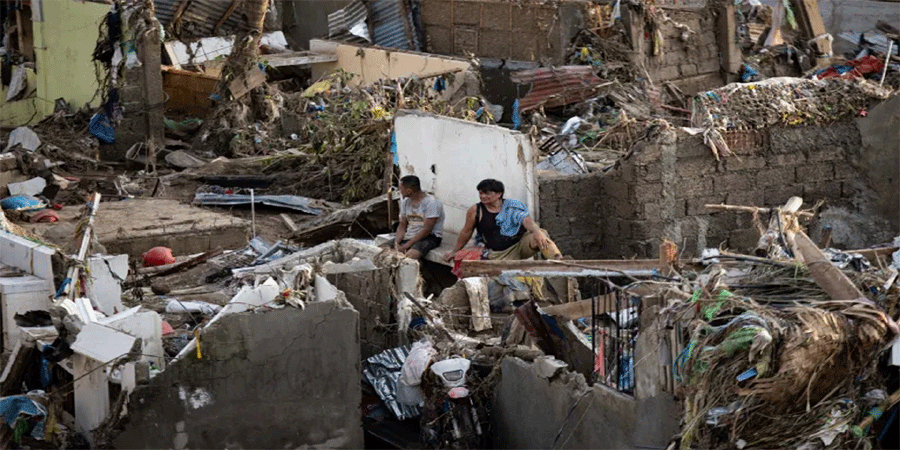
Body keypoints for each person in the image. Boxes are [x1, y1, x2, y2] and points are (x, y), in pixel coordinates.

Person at [444, 178, 562, 262]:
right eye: (480, 193)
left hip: (520, 245)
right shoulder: (475, 210)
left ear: (499, 194)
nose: (483, 196)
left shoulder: (512, 206)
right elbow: (466, 231)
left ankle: (558, 261)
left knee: (541, 234)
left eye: (487, 193)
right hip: (498, 254)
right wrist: (454, 251)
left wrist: (536, 231)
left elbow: (527, 221)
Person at [394, 175, 445, 260]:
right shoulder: (405, 202)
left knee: (409, 257)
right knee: (384, 251)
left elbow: (426, 230)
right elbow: (402, 225)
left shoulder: (432, 203)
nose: (400, 191)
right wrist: (397, 243)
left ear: (409, 191)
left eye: (401, 189)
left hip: (429, 237)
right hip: (411, 235)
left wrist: (406, 246)